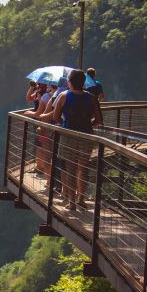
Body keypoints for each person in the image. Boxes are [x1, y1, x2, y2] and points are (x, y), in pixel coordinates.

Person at [40, 69, 103, 210]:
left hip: (68, 136)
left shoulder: (63, 96)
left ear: (70, 82)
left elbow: (55, 118)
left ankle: (72, 201)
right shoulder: (92, 97)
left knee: (70, 168)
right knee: (82, 168)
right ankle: (81, 199)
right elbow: (98, 120)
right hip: (87, 136)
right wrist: (87, 126)